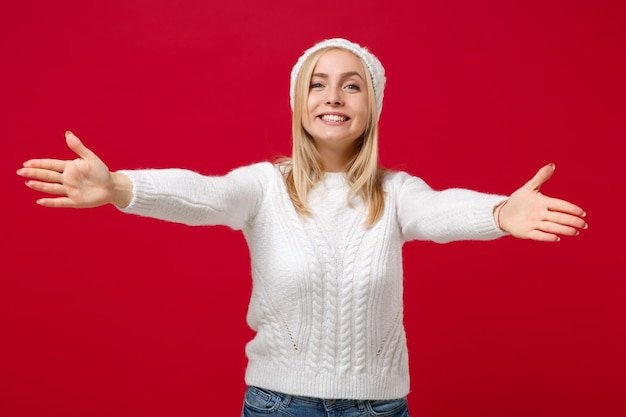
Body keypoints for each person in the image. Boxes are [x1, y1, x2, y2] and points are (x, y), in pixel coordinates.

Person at [16, 38, 587, 417]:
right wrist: (118, 186)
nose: (333, 96)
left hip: (379, 408)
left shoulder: (395, 194)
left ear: (374, 104)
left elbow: (441, 211)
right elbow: (205, 194)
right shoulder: (263, 186)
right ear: (299, 101)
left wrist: (497, 214)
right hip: (279, 406)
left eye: (352, 84)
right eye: (318, 83)